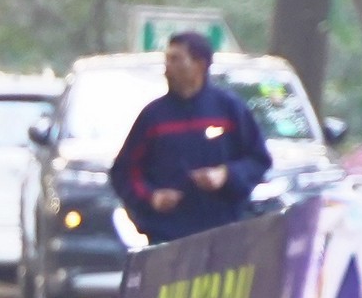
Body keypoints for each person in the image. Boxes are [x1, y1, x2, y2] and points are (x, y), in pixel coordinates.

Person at [112, 29, 270, 243]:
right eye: (167, 59)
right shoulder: (153, 117)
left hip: (223, 234)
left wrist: (225, 175)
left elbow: (258, 160)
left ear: (199, 65)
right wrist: (152, 197)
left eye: (176, 59)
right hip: (167, 237)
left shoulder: (229, 110)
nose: (167, 68)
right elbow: (124, 171)